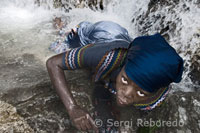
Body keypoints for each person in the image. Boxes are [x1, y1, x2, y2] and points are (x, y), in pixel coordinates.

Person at [46, 30, 184, 132]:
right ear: (124, 65)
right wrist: (72, 108)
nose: (126, 94)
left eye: (141, 93)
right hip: (102, 33)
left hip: (125, 40)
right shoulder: (106, 56)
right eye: (124, 79)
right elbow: (53, 63)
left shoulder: (158, 93)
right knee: (63, 42)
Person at [49, 20, 132, 53]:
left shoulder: (84, 31)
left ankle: (61, 28)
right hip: (112, 31)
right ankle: (61, 28)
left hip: (101, 32)